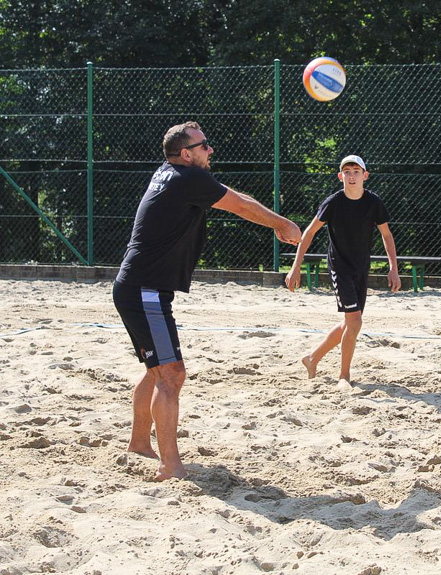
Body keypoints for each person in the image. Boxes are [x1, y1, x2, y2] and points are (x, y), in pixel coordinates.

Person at [113, 121, 301, 481]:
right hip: (145, 291)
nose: (210, 150)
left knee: (156, 370)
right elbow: (241, 206)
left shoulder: (170, 173)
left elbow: (236, 197)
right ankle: (170, 465)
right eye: (204, 146)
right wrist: (281, 224)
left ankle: (139, 444)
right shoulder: (187, 178)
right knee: (171, 374)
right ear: (186, 154)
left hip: (138, 287)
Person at [285, 155, 401, 390]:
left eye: (356, 171)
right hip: (340, 267)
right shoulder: (333, 202)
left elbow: (387, 235)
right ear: (340, 176)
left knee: (350, 323)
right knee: (355, 320)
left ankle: (312, 358)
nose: (351, 175)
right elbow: (308, 232)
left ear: (365, 175)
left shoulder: (373, 202)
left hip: (361, 267)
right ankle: (344, 376)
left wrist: (393, 269)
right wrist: (296, 267)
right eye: (346, 171)